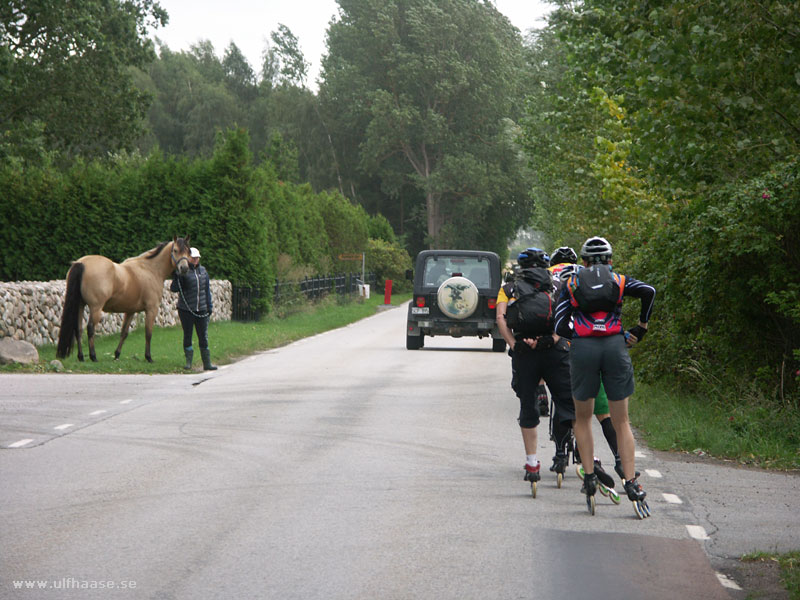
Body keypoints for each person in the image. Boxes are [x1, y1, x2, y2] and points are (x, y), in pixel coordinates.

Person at [554, 236, 655, 516]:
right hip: (615, 347)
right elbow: (649, 291)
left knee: (583, 417)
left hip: (584, 349)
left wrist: (579, 334)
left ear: (583, 262)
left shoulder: (571, 283)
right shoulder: (619, 280)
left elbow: (560, 324)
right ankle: (632, 483)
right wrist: (640, 328)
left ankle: (589, 478)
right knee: (621, 421)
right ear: (610, 260)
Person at [496, 248, 574, 496]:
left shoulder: (509, 287)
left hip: (524, 353)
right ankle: (564, 454)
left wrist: (515, 344)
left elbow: (500, 318)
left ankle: (532, 463)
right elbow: (566, 317)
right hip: (555, 350)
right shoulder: (558, 284)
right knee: (566, 403)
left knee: (527, 403)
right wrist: (551, 339)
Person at [171, 246, 217, 371]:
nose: (196, 260)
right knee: (188, 335)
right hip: (186, 309)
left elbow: (206, 290)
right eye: (194, 258)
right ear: (189, 258)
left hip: (201, 309)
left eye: (197, 258)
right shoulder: (184, 271)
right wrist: (177, 276)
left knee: (203, 336)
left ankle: (207, 363)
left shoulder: (203, 271)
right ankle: (188, 363)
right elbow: (174, 288)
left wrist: (209, 306)